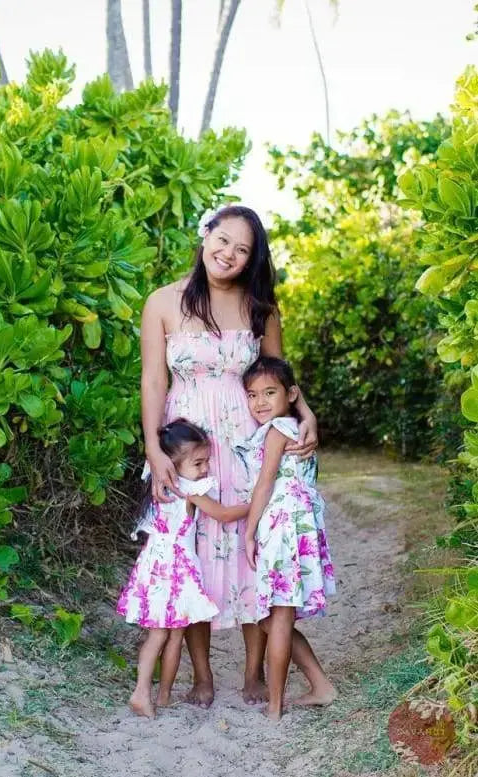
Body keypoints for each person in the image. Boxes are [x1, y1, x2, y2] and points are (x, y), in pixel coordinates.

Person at [140, 204, 318, 707]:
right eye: (224, 241)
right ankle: (201, 676)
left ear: (250, 259)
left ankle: (254, 672)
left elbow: (279, 375)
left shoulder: (260, 306)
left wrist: (308, 416)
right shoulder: (162, 303)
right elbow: (153, 380)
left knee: (252, 549)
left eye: (242, 250)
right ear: (206, 237)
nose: (229, 255)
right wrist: (154, 449)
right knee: (191, 554)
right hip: (188, 445)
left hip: (248, 446)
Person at [116, 419, 248, 719]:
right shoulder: (189, 489)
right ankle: (151, 694)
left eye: (206, 462)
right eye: (199, 462)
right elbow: (224, 514)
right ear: (174, 462)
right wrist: (256, 504)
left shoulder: (156, 479)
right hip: (176, 569)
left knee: (162, 636)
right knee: (168, 636)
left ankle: (153, 694)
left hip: (153, 565)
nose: (204, 469)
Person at [239, 356, 337, 720]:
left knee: (277, 618)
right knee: (275, 618)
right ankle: (320, 685)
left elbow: (265, 483)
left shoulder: (279, 430)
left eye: (269, 392)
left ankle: (275, 705)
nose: (260, 402)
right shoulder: (298, 427)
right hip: (299, 527)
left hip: (281, 527)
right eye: (252, 395)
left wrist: (249, 533)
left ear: (291, 393)